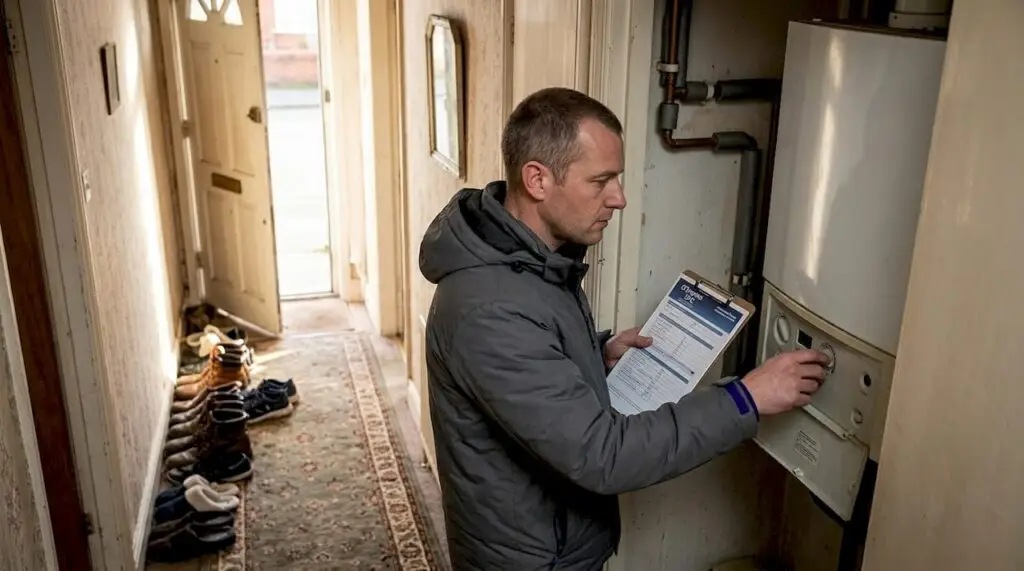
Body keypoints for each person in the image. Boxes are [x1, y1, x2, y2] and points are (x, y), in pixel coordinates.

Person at [419, 87, 829, 570]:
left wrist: (594, 353)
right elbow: (603, 455)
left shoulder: (529, 260)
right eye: (601, 181)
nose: (619, 198)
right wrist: (746, 399)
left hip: (553, 544)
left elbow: (526, 360)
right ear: (537, 179)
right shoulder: (486, 309)